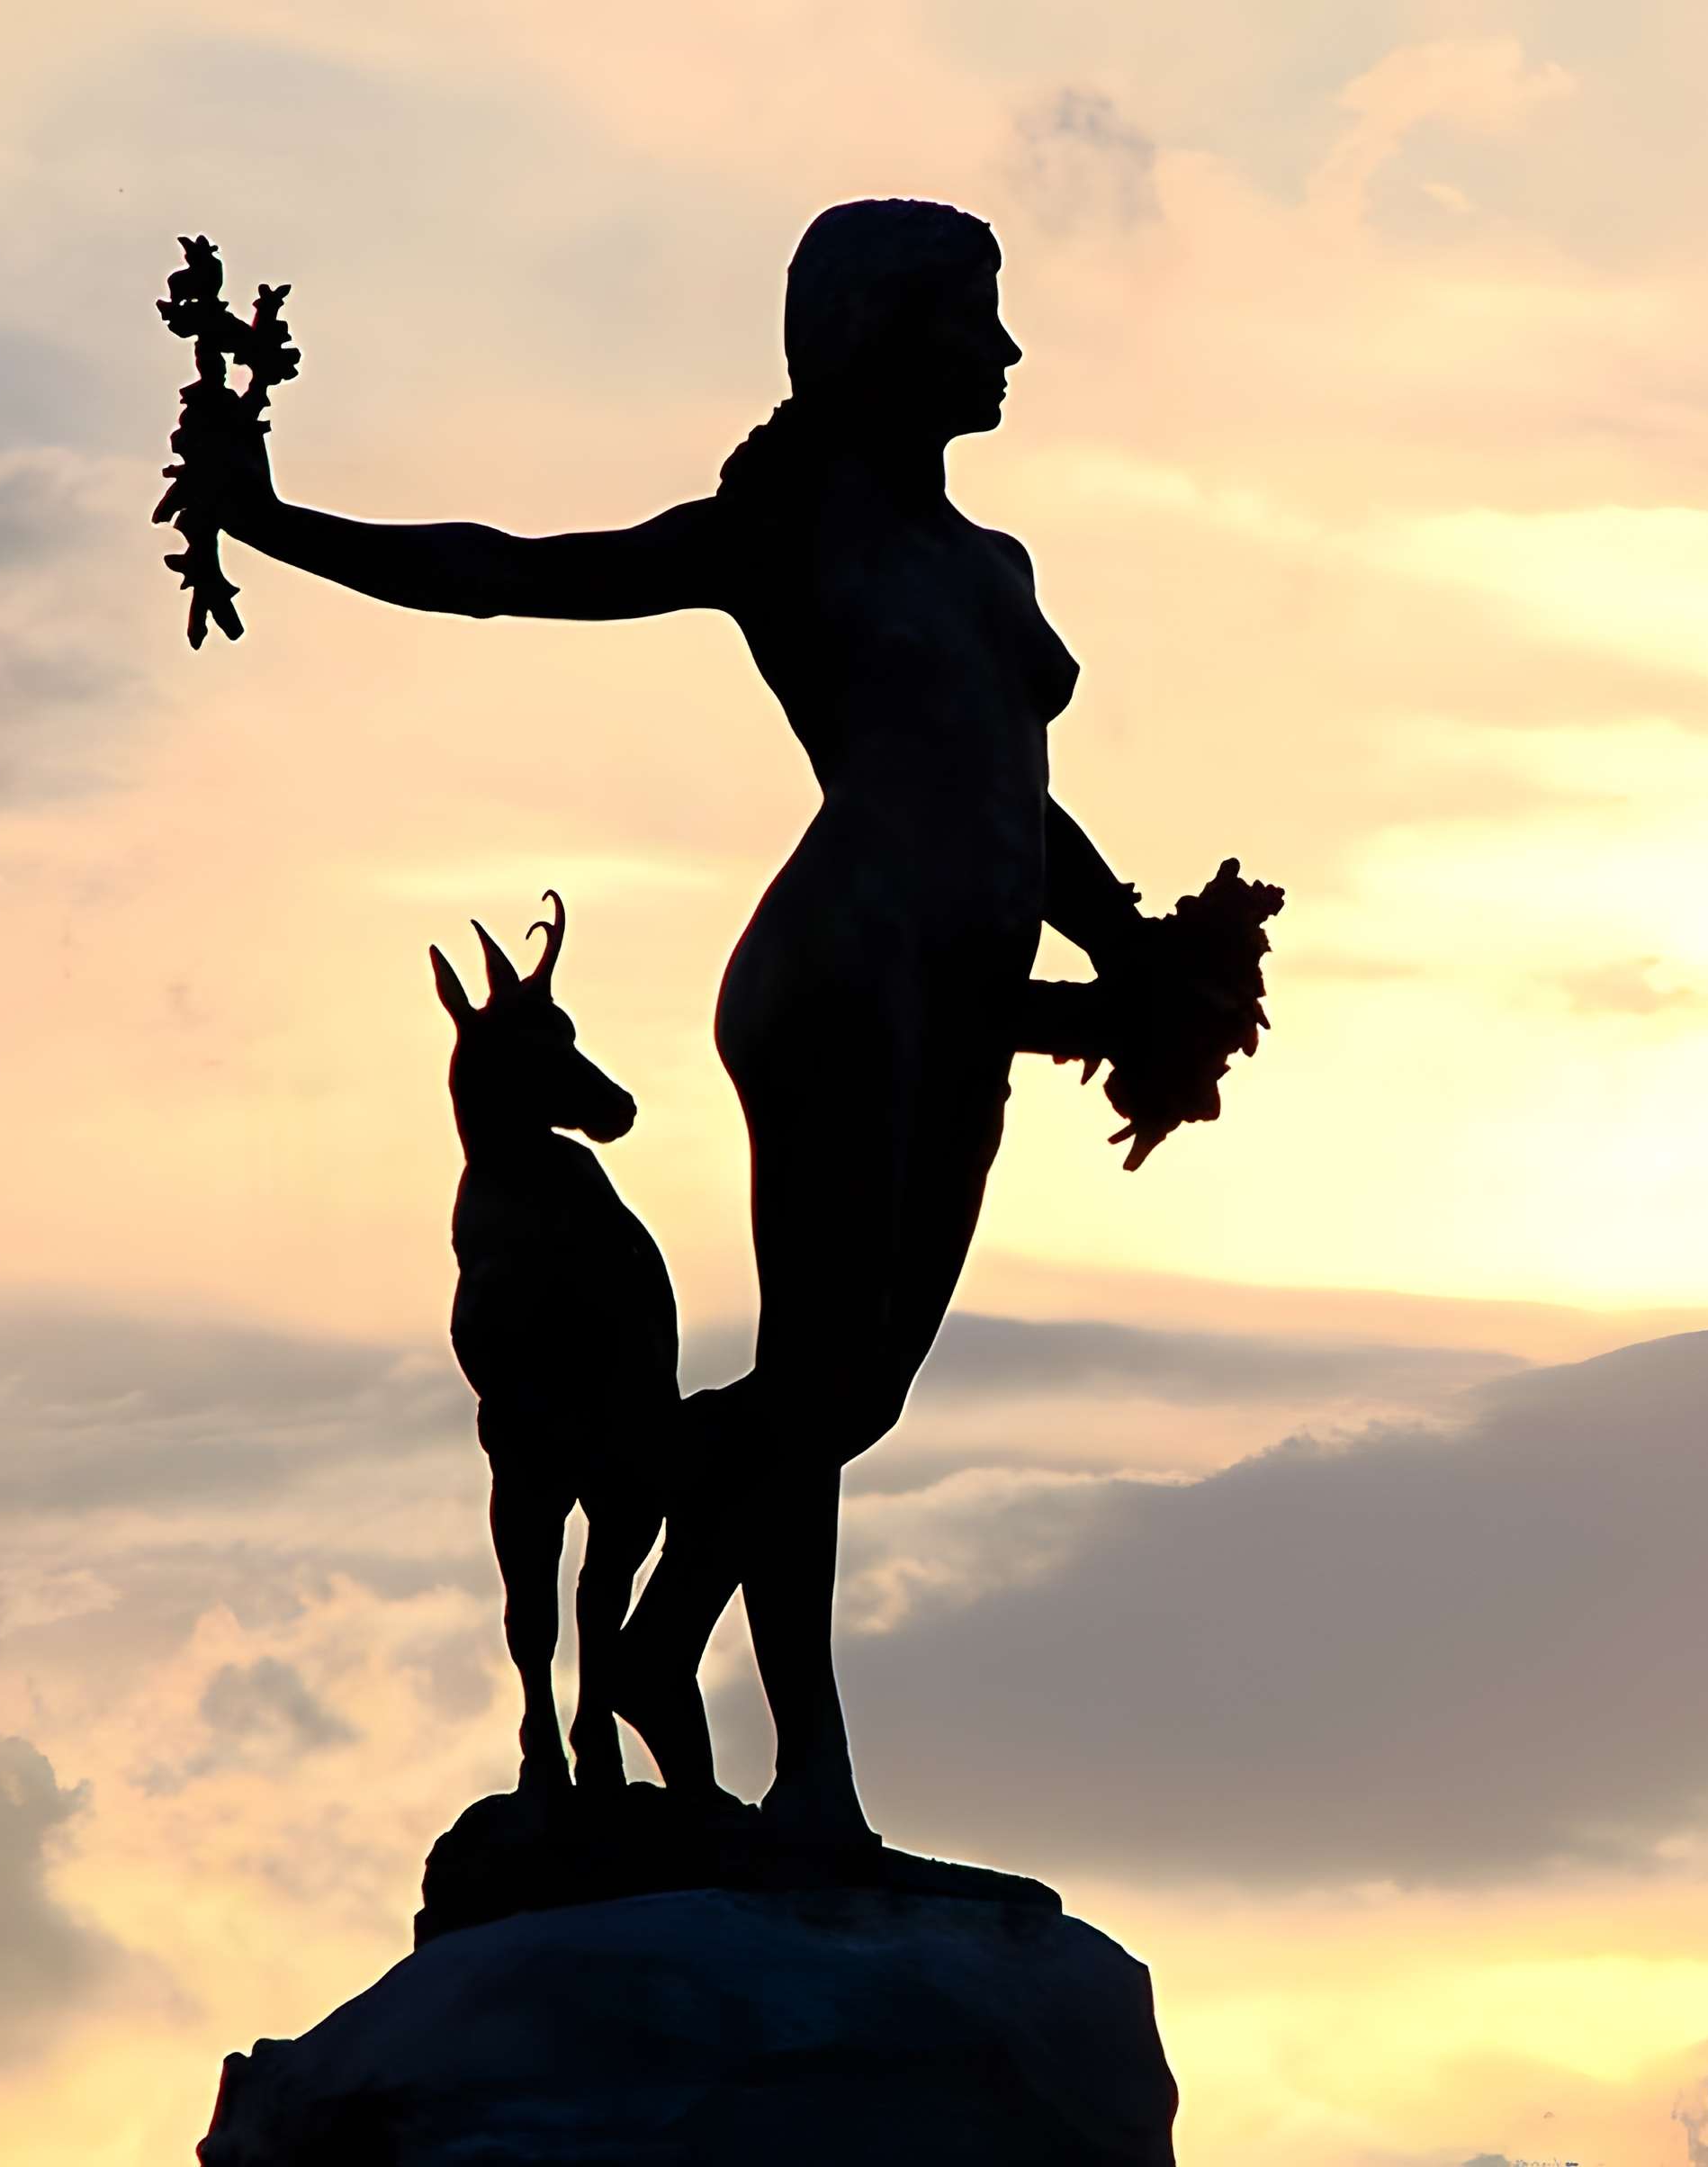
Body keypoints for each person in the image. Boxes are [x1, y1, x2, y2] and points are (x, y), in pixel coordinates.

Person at [188, 199, 1166, 1842]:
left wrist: (1134, 943)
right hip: (845, 972)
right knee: (821, 1378)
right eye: (967, 319)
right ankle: (812, 1782)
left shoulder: (992, 568)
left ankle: (662, 1652)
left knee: (849, 1394)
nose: (1002, 353)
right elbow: (518, 578)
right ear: (869, 334)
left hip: (968, 989)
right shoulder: (786, 530)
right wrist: (278, 526)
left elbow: (1010, 794)